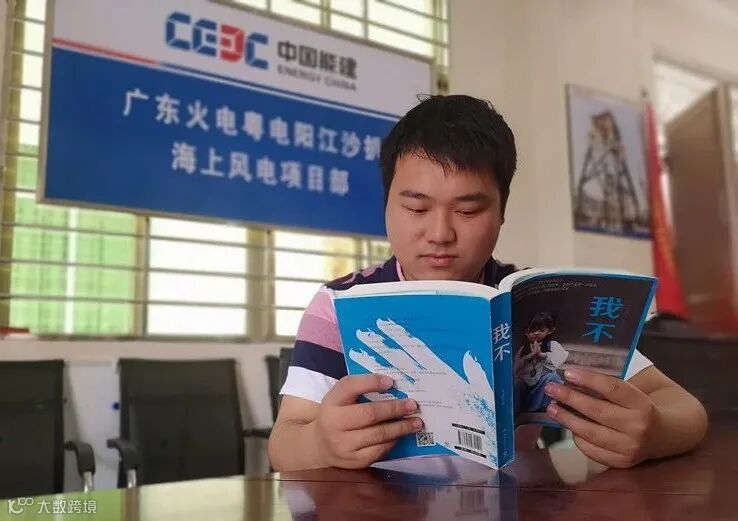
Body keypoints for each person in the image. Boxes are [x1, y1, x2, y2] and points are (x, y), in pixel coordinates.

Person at [268, 94, 707, 471]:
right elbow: (284, 445)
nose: (440, 233)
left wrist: (654, 431)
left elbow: (686, 409)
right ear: (387, 205)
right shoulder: (340, 303)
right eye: (416, 208)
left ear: (501, 212)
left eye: (468, 210)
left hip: (519, 499)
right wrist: (321, 443)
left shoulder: (537, 299)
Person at [514, 312, 568, 414]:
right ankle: (517, 409)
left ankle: (543, 406)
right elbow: (515, 369)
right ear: (526, 332)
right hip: (526, 389)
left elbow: (560, 358)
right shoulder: (523, 349)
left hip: (540, 389)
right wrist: (527, 358)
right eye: (532, 330)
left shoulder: (552, 345)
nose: (536, 333)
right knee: (517, 382)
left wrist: (543, 355)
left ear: (550, 330)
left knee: (552, 377)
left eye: (541, 330)